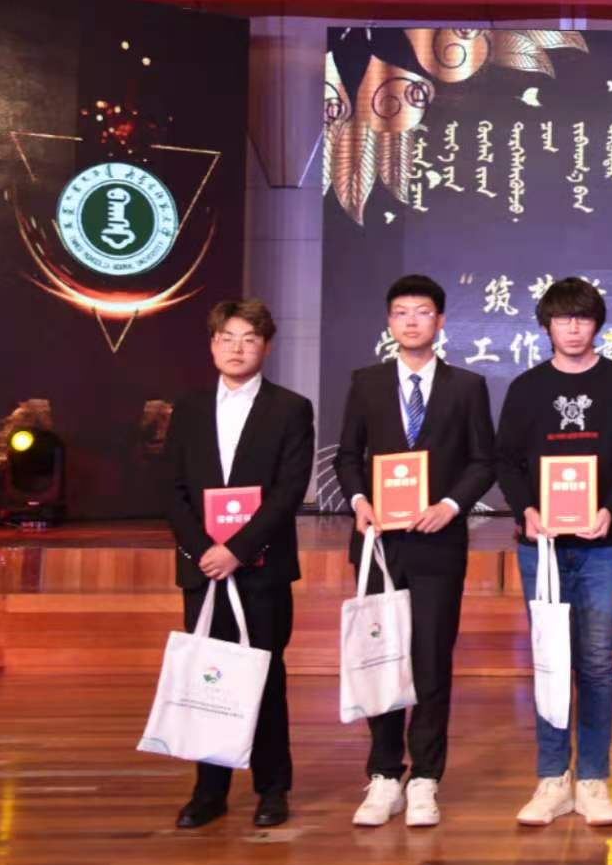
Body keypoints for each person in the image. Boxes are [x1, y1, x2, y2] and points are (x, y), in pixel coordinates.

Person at [335, 274, 497, 828]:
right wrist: (359, 501)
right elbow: (348, 456)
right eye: (401, 312)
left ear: (440, 321)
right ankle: (384, 774)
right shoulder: (366, 383)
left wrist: (451, 505)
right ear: (389, 322)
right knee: (380, 656)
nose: (411, 321)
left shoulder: (467, 386)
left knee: (430, 659)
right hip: (379, 544)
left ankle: (426, 777)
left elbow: (483, 460)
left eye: (422, 311)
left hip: (437, 543)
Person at [494, 277, 612, 827]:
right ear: (547, 325)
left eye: (583, 318)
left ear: (597, 324)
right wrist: (525, 510)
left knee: (596, 662)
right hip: (541, 547)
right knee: (549, 659)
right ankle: (551, 778)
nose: (573, 328)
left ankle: (592, 779)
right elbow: (505, 461)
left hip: (602, 546)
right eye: (563, 318)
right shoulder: (527, 388)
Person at [164, 300, 314, 829]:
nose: (237, 348)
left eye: (249, 339)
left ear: (266, 347)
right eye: (227, 337)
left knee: (265, 675)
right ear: (212, 345)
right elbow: (172, 488)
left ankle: (272, 789)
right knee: (211, 676)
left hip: (262, 568)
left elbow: (289, 491)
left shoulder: (290, 408)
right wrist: (204, 550)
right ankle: (209, 791)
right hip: (204, 568)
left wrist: (238, 550)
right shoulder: (187, 408)